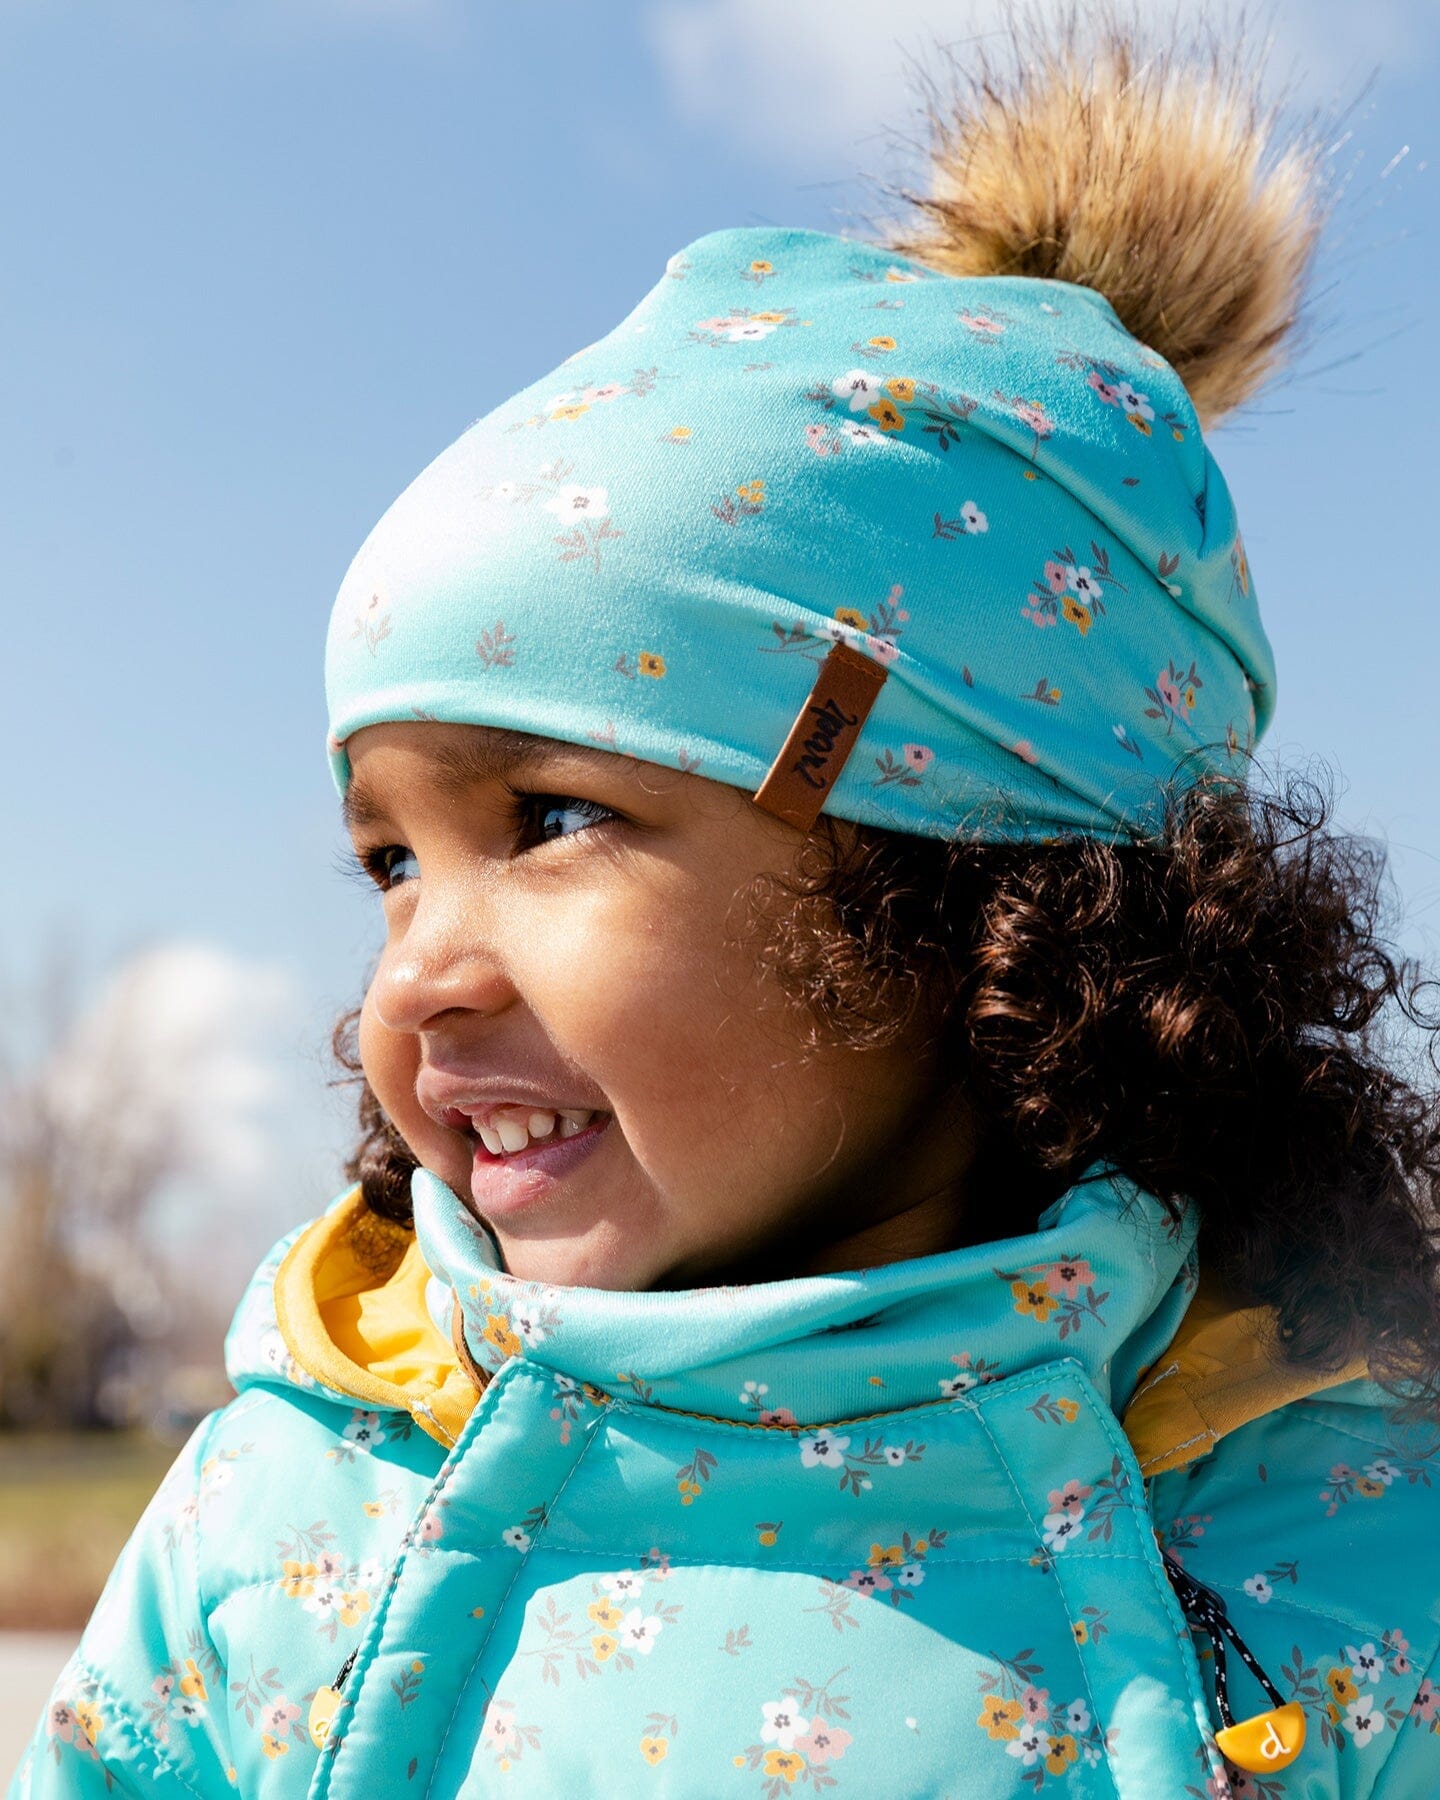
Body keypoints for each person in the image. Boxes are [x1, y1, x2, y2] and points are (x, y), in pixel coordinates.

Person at [11, 13, 1440, 1798]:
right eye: (390, 861)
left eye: (551, 818)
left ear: (983, 896)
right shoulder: (288, 1518)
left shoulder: (1347, 1547)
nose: (416, 979)